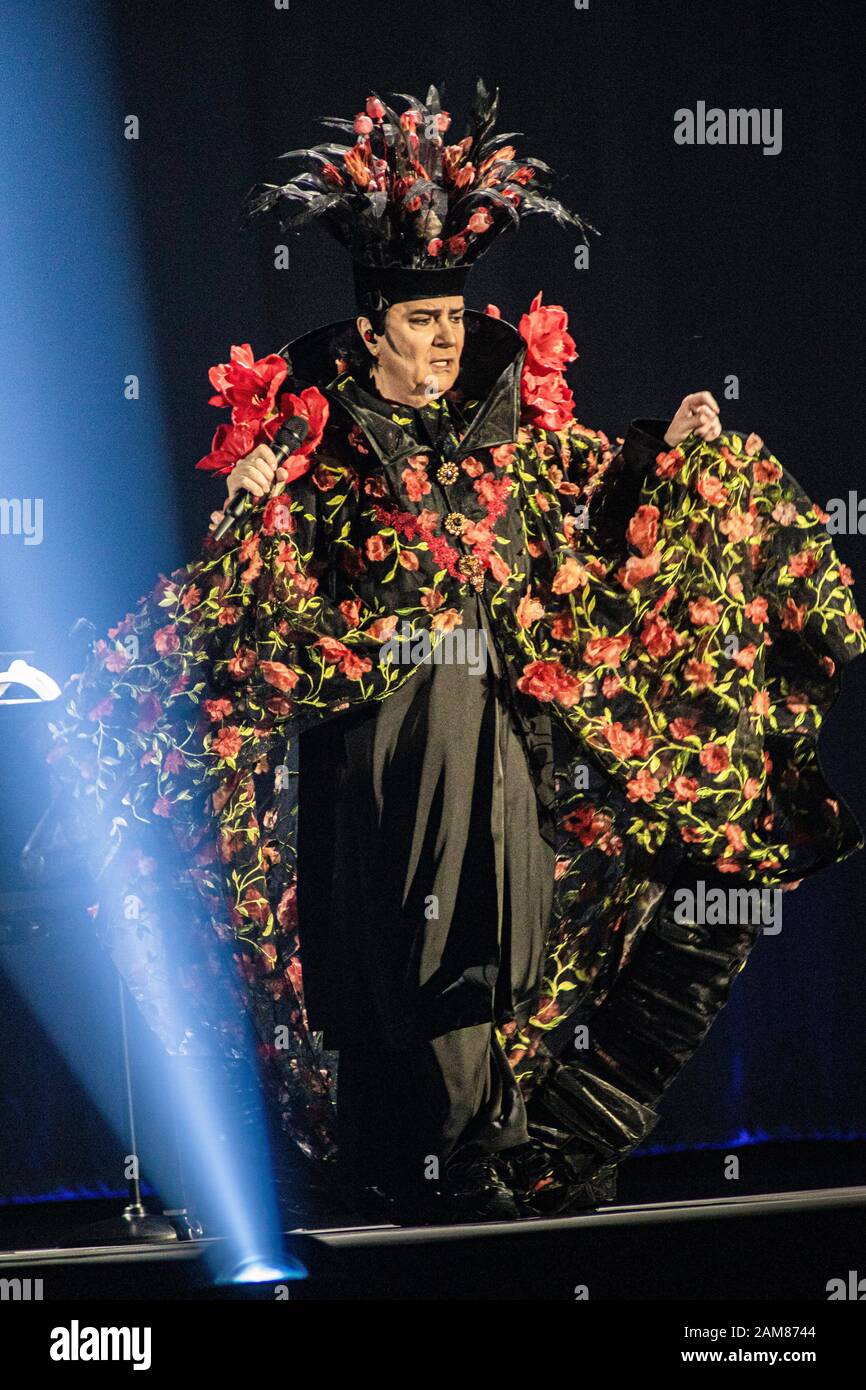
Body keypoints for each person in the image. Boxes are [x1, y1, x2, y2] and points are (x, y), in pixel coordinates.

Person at [46, 78, 866, 1226]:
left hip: (490, 722)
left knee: (496, 920)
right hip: (383, 734)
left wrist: (662, 456)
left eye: (450, 320)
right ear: (374, 324)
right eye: (419, 322)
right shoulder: (320, 440)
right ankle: (440, 1153)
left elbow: (585, 496)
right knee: (417, 932)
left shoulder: (501, 426)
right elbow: (265, 606)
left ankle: (486, 1144)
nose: (441, 342)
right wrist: (252, 507)